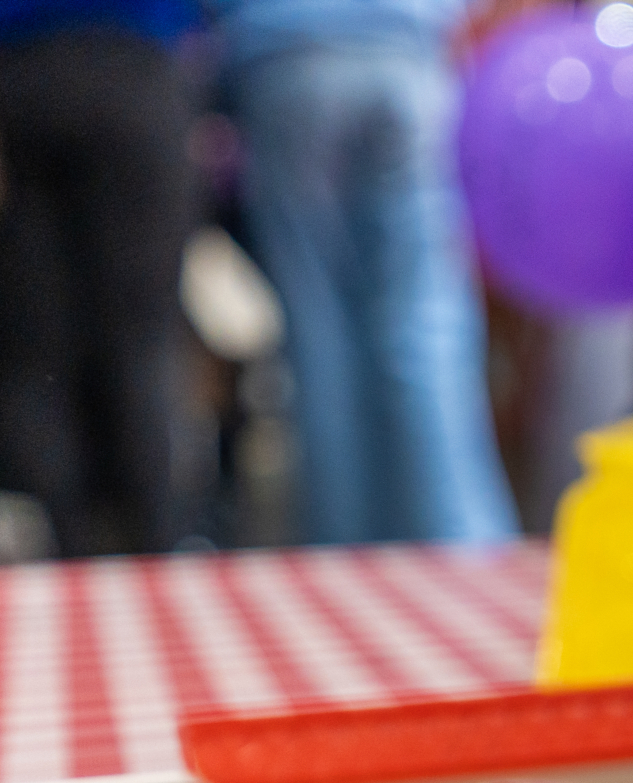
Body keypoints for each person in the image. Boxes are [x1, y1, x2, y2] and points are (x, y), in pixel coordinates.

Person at [0, 0, 205, 556]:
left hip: (3, 71)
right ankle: (153, 550)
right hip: (129, 60)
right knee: (140, 343)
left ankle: (57, 560)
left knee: (28, 350)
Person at [213, 0, 517, 544]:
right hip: (405, 48)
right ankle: (464, 543)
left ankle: (345, 550)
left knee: (319, 333)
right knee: (427, 324)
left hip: (288, 53)